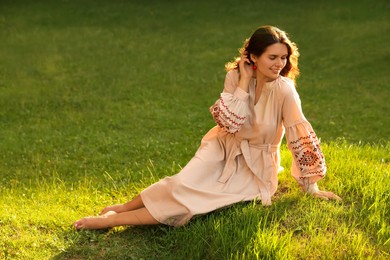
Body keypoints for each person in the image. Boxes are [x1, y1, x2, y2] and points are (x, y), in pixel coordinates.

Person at [74, 25, 341, 230]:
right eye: (272, 57)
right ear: (253, 57)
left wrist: (311, 188)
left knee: (191, 204)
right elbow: (228, 122)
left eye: (284, 58)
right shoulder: (235, 76)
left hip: (255, 166)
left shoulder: (285, 90)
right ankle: (123, 207)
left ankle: (111, 222)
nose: (279, 64)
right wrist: (243, 81)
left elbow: (298, 133)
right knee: (180, 183)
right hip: (221, 145)